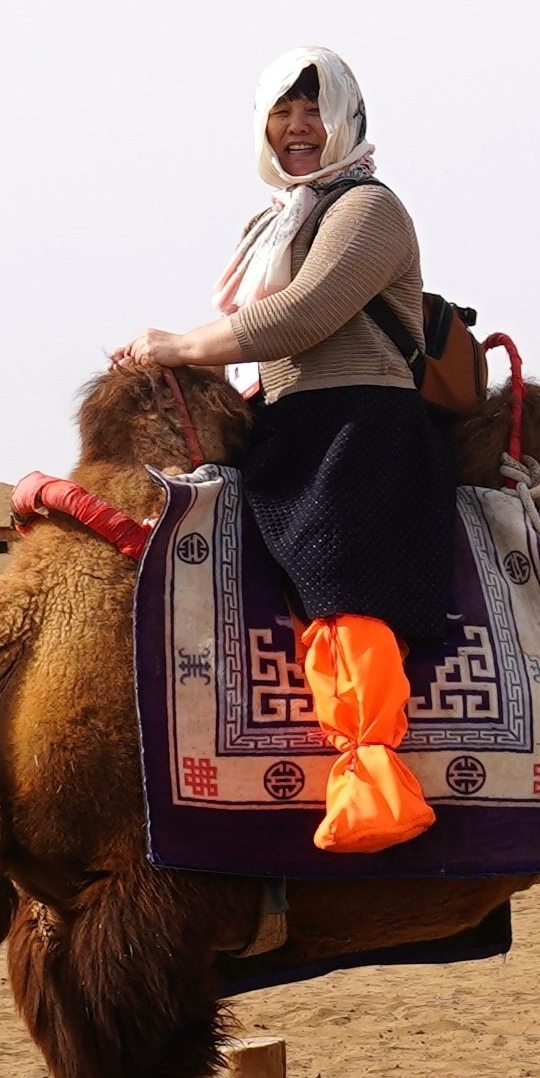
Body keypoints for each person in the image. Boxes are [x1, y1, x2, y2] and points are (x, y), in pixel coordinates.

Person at [114, 48, 445, 854]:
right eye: (282, 113)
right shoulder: (278, 221)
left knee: (339, 580)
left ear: (346, 120)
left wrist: (179, 346)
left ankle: (372, 778)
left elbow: (303, 314)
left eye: (313, 111)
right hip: (286, 429)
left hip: (361, 434)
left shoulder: (369, 209)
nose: (297, 128)